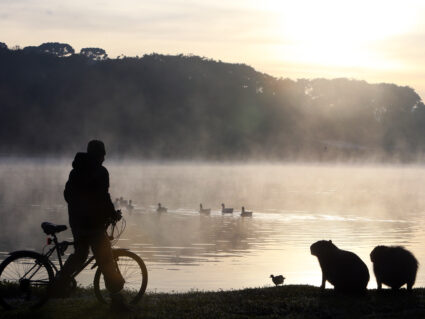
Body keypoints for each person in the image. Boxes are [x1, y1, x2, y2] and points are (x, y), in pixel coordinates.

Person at [50, 140, 130, 312]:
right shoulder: (100, 172)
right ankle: (117, 303)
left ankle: (58, 284)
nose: (104, 158)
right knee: (106, 260)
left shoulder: (76, 170)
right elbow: (104, 197)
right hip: (93, 224)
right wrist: (112, 214)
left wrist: (80, 210)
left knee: (80, 255)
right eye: (103, 154)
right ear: (98, 154)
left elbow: (67, 195)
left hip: (78, 222)